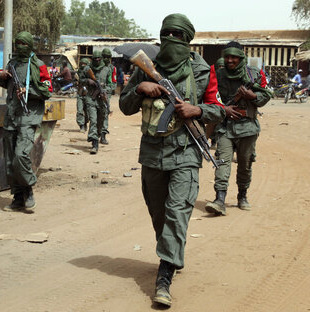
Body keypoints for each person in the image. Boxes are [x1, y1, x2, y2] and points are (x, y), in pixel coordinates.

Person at [119, 13, 225, 307]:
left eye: (179, 36)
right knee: (159, 215)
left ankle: (164, 276)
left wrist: (198, 111)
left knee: (177, 213)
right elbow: (125, 105)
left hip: (187, 154)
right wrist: (140, 89)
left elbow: (219, 109)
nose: (172, 40)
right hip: (152, 153)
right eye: (168, 34)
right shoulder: (146, 68)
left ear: (188, 40)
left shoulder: (203, 71)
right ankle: (171, 252)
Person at [205, 41, 272, 216]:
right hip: (226, 127)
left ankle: (242, 196)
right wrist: (224, 110)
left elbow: (266, 95)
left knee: (245, 164)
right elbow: (210, 98)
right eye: (227, 56)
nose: (230, 60)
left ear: (241, 57)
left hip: (248, 127)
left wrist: (253, 96)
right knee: (222, 162)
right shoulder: (217, 75)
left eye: (234, 57)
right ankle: (219, 199)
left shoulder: (254, 74)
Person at [0, 31, 52, 212]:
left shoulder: (38, 65)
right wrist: (1, 77)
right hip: (11, 116)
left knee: (20, 155)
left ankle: (29, 188)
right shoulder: (12, 64)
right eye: (17, 43)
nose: (19, 47)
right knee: (10, 160)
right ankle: (18, 197)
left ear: (29, 45)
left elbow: (47, 90)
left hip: (28, 116)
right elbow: (6, 85)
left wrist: (28, 91)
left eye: (23, 44)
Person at [81, 50, 113, 154]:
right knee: (93, 120)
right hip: (91, 98)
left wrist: (105, 92)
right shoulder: (87, 69)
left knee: (100, 121)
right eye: (95, 59)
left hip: (102, 99)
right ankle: (94, 143)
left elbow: (111, 84)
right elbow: (79, 80)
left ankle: (99, 134)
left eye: (99, 59)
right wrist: (88, 81)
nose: (97, 60)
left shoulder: (107, 69)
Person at [101, 48, 117, 145]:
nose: (106, 59)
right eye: (104, 57)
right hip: (96, 94)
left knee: (105, 113)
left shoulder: (112, 68)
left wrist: (108, 90)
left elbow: (114, 82)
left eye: (108, 57)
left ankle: (103, 135)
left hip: (106, 94)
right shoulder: (97, 67)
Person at [76, 58, 91, 132]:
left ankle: (85, 123)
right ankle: (81, 125)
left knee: (87, 111)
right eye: (81, 64)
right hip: (80, 93)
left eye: (84, 64)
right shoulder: (78, 72)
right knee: (80, 110)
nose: (82, 65)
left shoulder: (90, 72)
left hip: (88, 93)